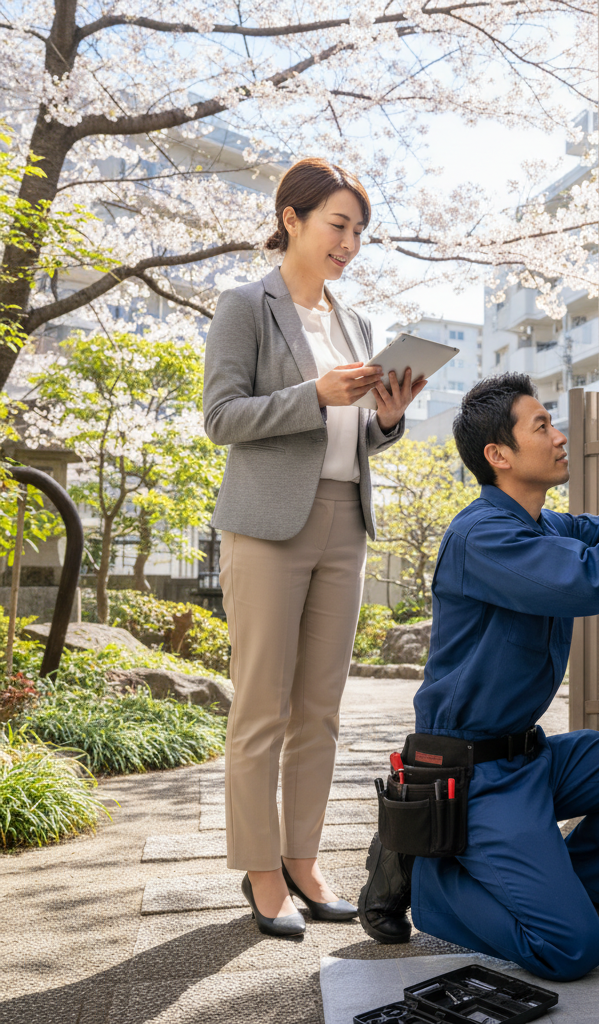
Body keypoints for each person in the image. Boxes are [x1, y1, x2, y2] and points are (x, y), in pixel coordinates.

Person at [356, 370, 599, 979]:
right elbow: (588, 580)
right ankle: (427, 880)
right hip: (472, 778)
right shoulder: (480, 536)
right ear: (498, 455)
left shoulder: (545, 526)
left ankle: (576, 894)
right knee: (571, 951)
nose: (558, 437)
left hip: (529, 760)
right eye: (542, 426)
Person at [203, 157, 426, 937]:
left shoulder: (353, 323)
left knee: (320, 709)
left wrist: (388, 418)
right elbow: (222, 417)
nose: (350, 243)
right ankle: (261, 871)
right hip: (265, 525)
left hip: (344, 519)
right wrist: (313, 396)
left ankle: (304, 858)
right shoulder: (245, 307)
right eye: (339, 225)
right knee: (261, 704)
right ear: (292, 219)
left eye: (360, 231)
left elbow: (358, 435)